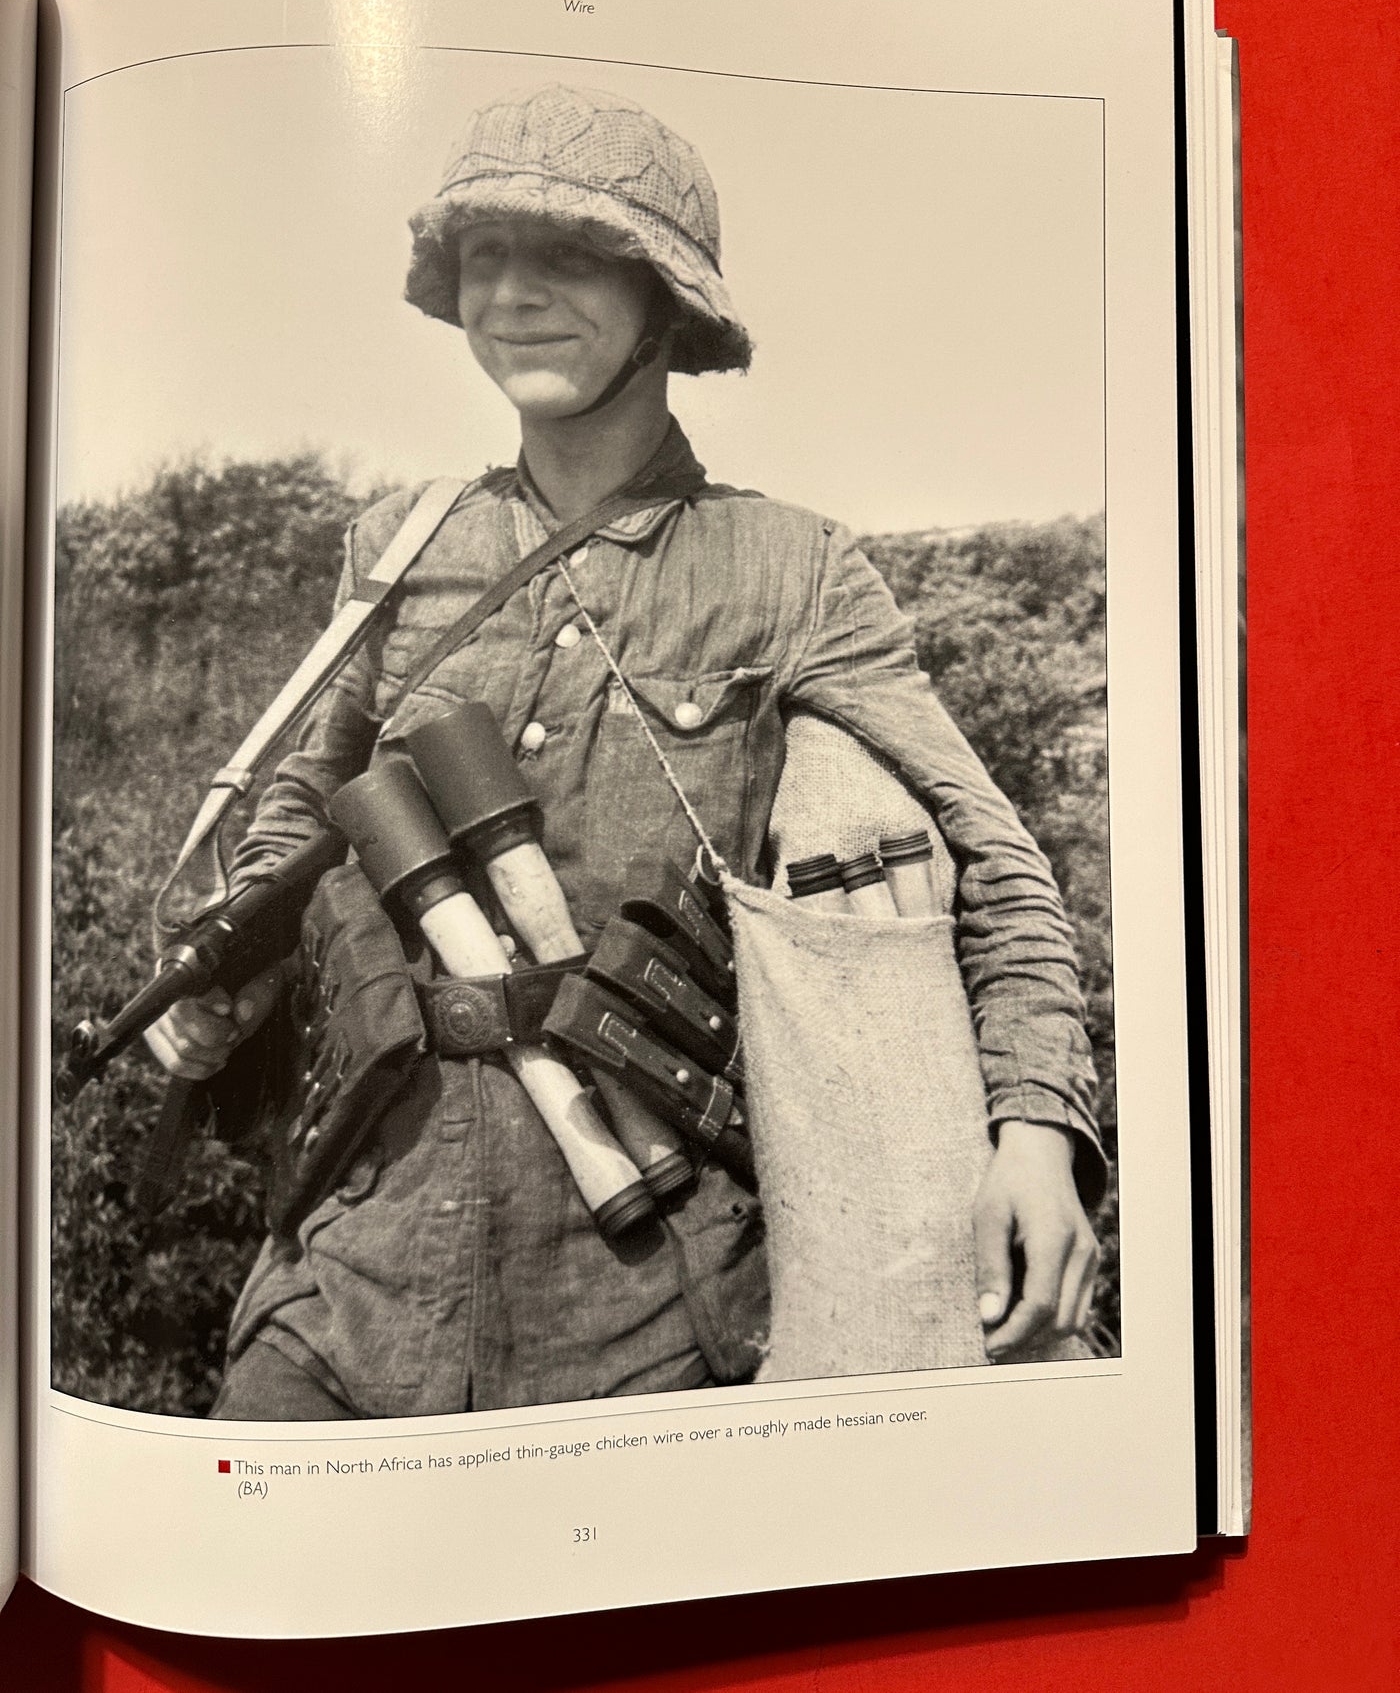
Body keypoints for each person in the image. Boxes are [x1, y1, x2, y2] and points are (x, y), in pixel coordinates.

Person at [149, 82, 1104, 1420]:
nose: (514, 296)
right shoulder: (400, 548)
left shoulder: (791, 572)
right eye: (486, 257)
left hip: (656, 1297)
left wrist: (1038, 1131)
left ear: (667, 302)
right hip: (351, 1265)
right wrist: (238, 963)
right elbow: (306, 804)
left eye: (571, 258)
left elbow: (1000, 871)